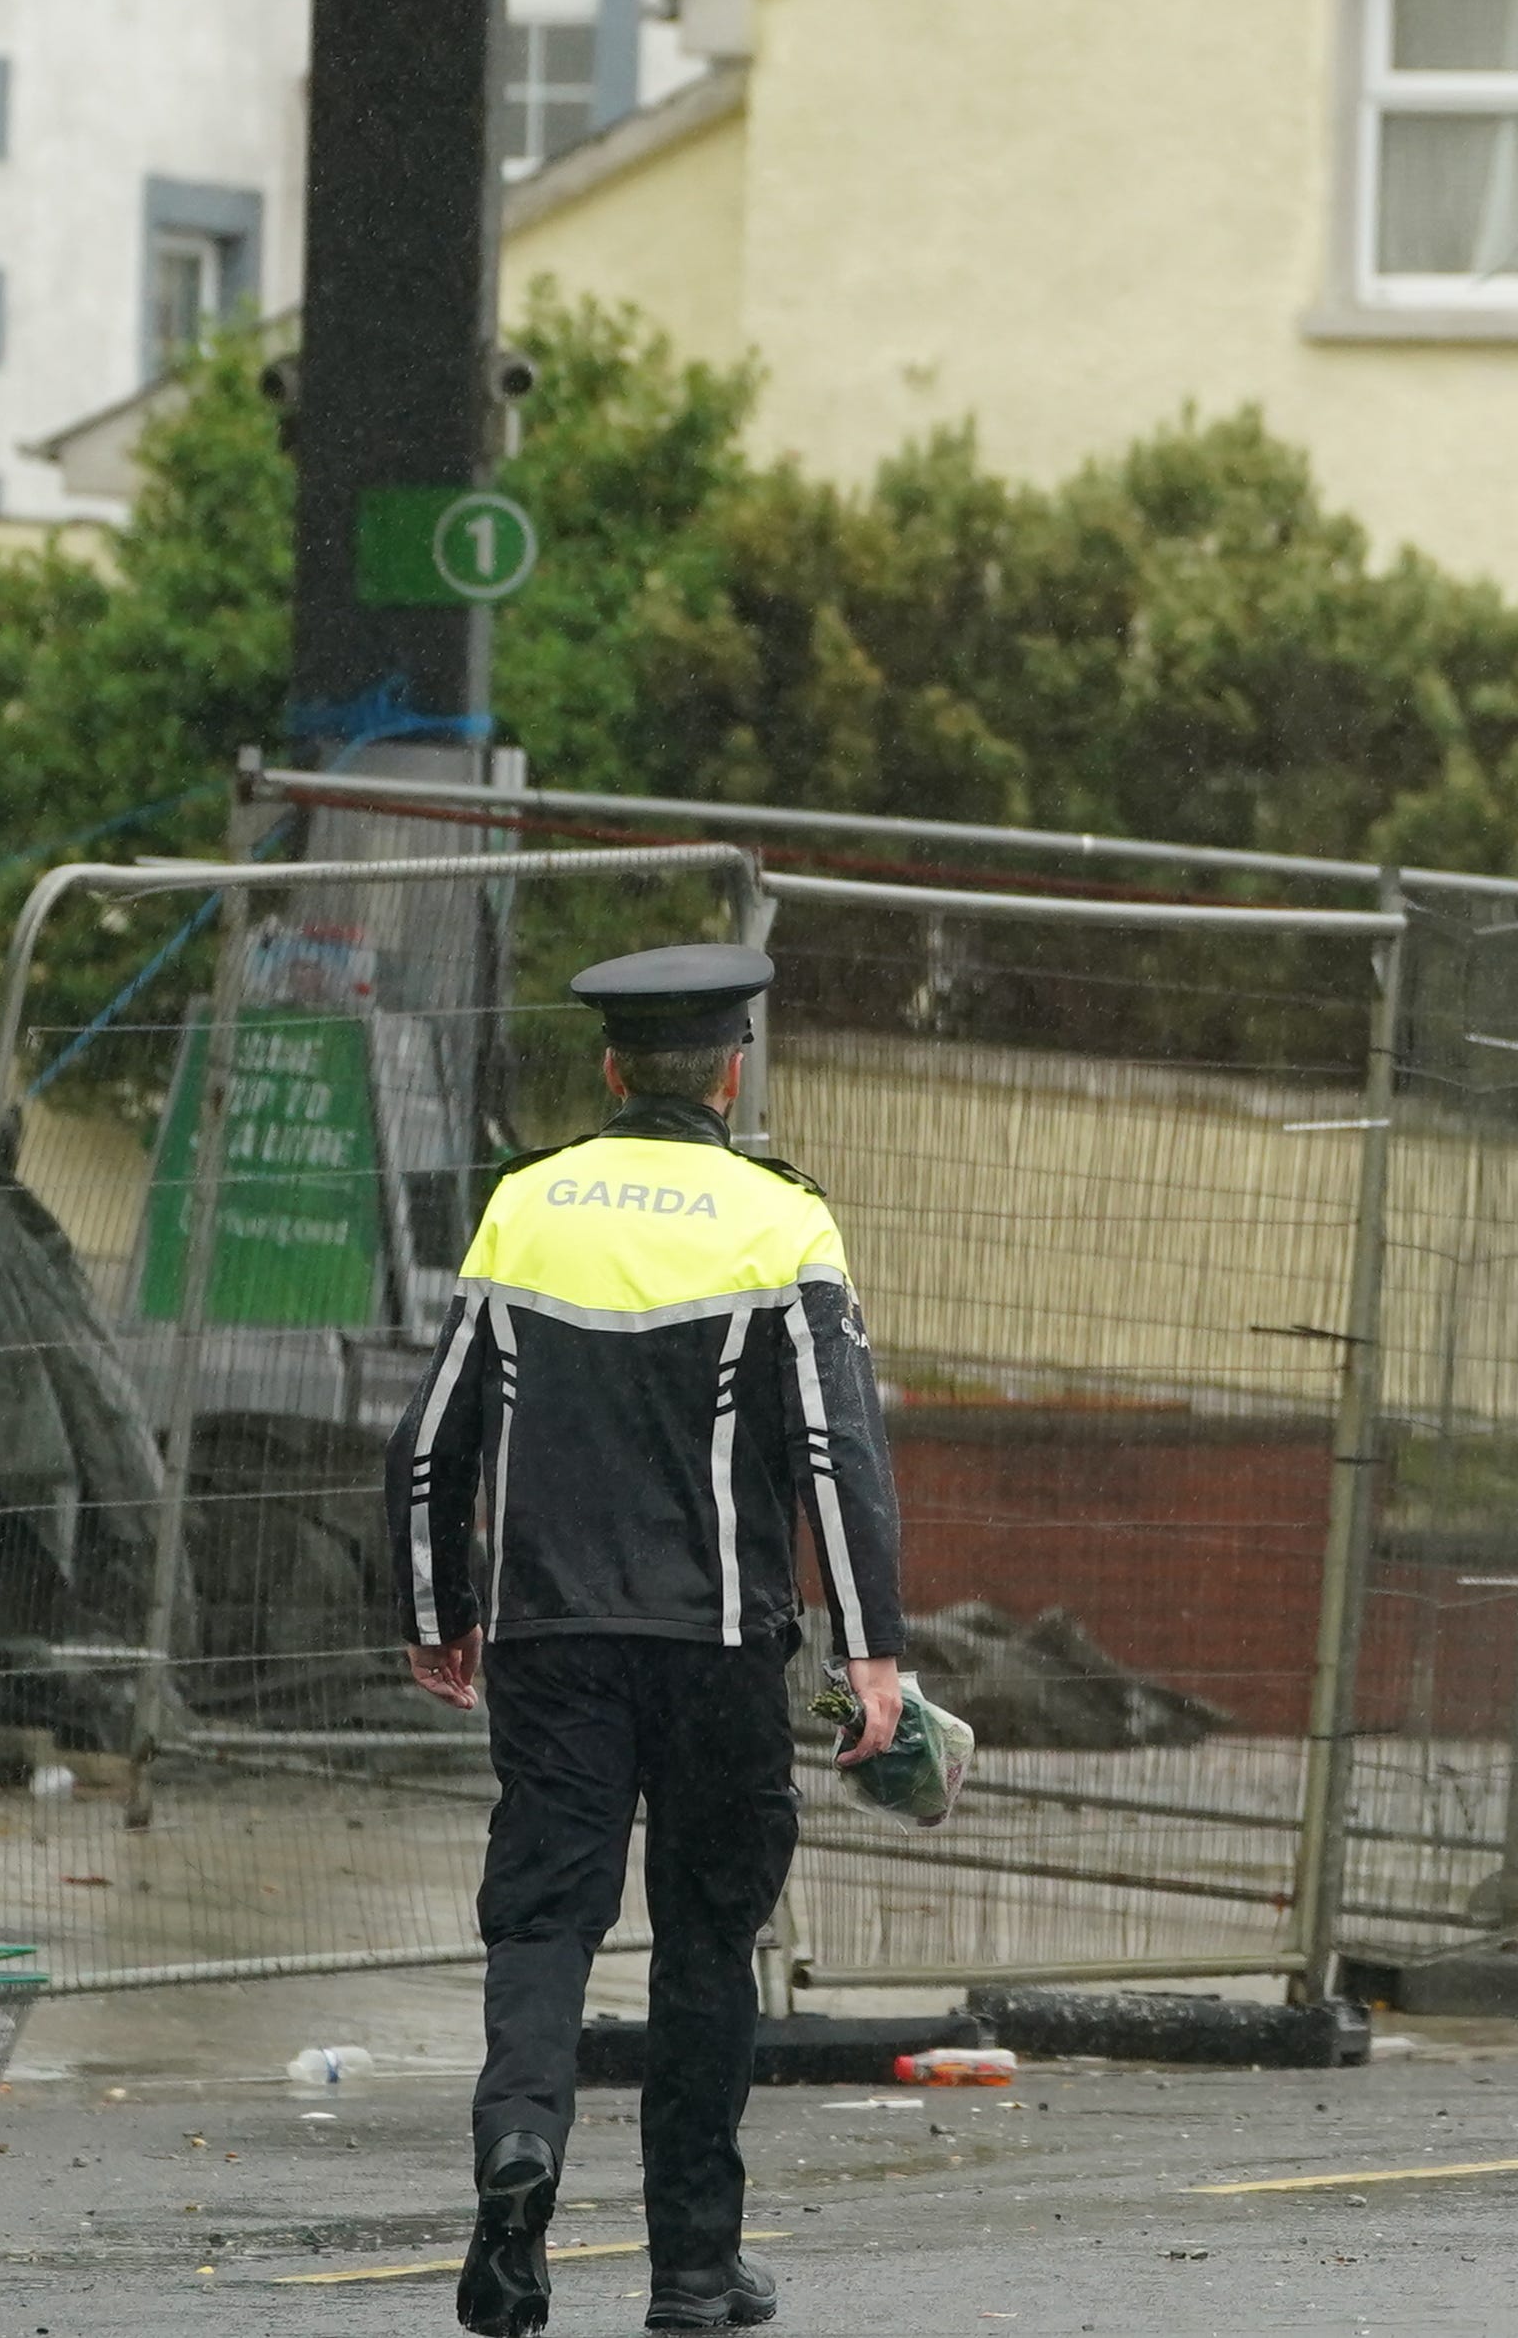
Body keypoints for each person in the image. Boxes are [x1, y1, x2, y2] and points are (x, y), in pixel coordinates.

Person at [386, 944, 907, 2338]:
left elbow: (432, 1439)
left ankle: (520, 2159)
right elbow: (834, 1448)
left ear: (612, 1068)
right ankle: (691, 2264)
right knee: (704, 1940)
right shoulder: (779, 1221)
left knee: (544, 1918)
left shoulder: (525, 1207)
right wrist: (873, 1651)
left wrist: (443, 1615)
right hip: (721, 1644)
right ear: (731, 1069)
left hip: (551, 1642)